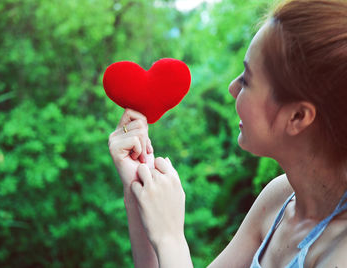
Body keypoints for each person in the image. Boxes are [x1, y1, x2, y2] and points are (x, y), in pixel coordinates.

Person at [108, 0, 347, 267]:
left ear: (297, 117)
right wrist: (137, 190)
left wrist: (170, 239)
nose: (233, 88)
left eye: (247, 79)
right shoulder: (280, 198)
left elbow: (172, 252)